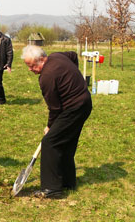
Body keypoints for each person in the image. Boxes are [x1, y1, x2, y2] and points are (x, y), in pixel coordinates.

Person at [21, 45, 92, 198]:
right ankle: (68, 182)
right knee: (66, 142)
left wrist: (49, 126)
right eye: (28, 66)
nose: (30, 69)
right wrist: (74, 79)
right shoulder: (57, 56)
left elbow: (55, 108)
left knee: (50, 142)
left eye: (32, 65)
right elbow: (73, 55)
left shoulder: (47, 77)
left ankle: (51, 189)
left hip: (73, 108)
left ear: (42, 59)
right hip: (85, 102)